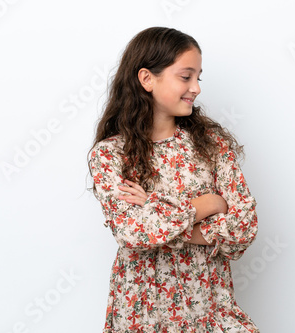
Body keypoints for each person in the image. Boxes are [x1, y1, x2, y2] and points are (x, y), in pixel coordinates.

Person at [87, 26, 260, 332]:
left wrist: (154, 208)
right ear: (146, 79)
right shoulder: (109, 155)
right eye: (186, 76)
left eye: (198, 77)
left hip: (210, 310)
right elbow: (134, 234)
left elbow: (243, 229)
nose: (196, 87)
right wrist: (209, 203)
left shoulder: (213, 143)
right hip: (143, 315)